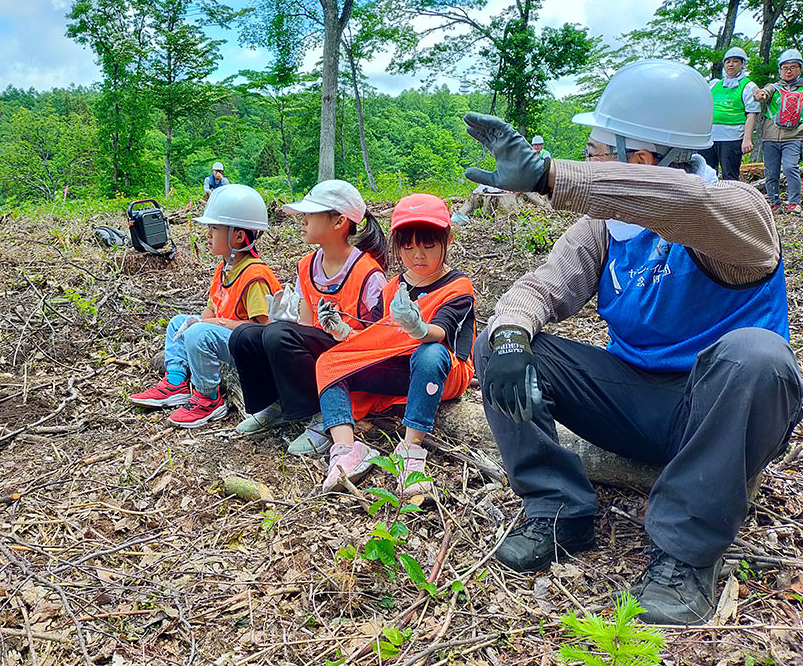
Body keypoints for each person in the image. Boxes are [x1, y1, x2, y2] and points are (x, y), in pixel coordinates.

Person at [465, 59, 801, 626]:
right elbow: (540, 287)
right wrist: (511, 335)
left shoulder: (737, 214)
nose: (587, 161)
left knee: (759, 357)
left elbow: (686, 205)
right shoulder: (602, 229)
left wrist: (552, 177)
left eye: (596, 151)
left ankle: (685, 555)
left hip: (718, 412)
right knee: (501, 340)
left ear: (640, 159)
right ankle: (556, 508)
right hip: (635, 402)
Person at [313, 194, 476, 495]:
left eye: (428, 245)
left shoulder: (457, 287)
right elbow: (373, 338)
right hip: (399, 369)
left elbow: (442, 333)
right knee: (329, 362)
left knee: (430, 354)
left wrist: (418, 326)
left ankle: (411, 453)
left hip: (442, 370)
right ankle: (347, 450)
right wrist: (341, 331)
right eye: (408, 246)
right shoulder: (393, 288)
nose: (418, 255)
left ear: (447, 240)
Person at [229, 180, 388, 454]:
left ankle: (322, 415)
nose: (302, 220)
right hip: (319, 351)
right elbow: (305, 325)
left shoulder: (368, 273)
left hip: (348, 358)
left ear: (339, 222)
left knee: (277, 333)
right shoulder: (307, 265)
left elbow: (378, 341)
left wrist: (340, 329)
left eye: (310, 214)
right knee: (245, 335)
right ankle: (275, 402)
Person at [128, 184, 281, 427]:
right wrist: (200, 323)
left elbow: (263, 330)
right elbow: (211, 308)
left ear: (239, 236)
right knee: (179, 322)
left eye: (214, 229)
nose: (207, 235)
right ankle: (177, 380)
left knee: (199, 331)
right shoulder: (224, 268)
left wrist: (210, 325)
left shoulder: (255, 275)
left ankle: (208, 397)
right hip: (225, 338)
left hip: (247, 349)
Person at [699, 47, 760, 181]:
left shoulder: (748, 86)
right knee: (706, 173)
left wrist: (747, 139)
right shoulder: (715, 84)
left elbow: (751, 114)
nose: (731, 64)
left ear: (742, 64)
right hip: (710, 136)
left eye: (735, 61)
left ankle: (730, 201)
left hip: (732, 137)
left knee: (729, 174)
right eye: (728, 62)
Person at [754, 49, 803, 214]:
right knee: (771, 172)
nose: (788, 71)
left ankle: (794, 203)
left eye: (793, 67)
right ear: (780, 70)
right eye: (784, 68)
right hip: (771, 137)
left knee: (790, 168)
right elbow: (764, 93)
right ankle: (774, 204)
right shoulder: (773, 88)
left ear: (800, 69)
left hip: (794, 137)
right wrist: (760, 94)